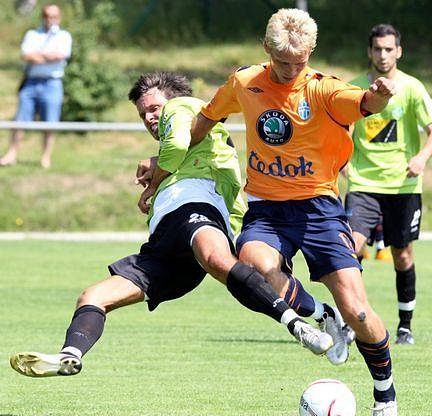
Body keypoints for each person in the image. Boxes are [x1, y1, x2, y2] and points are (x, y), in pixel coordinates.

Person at [10, 71, 338, 380]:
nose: (150, 117)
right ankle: (70, 355)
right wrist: (155, 174)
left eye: (154, 108)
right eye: (143, 114)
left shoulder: (183, 107)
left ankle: (297, 325)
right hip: (167, 244)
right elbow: (181, 147)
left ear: (172, 102)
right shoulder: (177, 143)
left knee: (217, 260)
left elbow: (179, 143)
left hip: (197, 208)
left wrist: (153, 183)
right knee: (93, 296)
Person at [185, 8, 398, 415]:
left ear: (311, 53)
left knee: (359, 310)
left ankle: (385, 394)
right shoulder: (245, 81)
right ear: (266, 49)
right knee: (252, 263)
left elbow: (363, 102)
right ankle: (323, 315)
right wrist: (167, 162)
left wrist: (378, 97)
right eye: (282, 62)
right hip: (267, 208)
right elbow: (207, 118)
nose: (289, 71)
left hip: (319, 208)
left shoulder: (323, 90)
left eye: (298, 63)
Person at [345, 24, 432, 346]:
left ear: (398, 51)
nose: (383, 55)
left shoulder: (412, 88)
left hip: (403, 187)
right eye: (377, 49)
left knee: (402, 255)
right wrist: (343, 163)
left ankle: (405, 326)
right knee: (351, 248)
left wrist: (421, 159)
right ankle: (353, 318)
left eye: (389, 49)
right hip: (363, 184)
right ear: (369, 52)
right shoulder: (356, 88)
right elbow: (339, 131)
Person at [0, 4, 72, 168]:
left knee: (50, 123)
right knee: (19, 121)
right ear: (43, 17)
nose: (50, 19)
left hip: (52, 83)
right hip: (31, 82)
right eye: (47, 16)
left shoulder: (64, 36)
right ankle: (11, 154)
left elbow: (60, 55)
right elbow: (26, 55)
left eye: (54, 16)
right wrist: (47, 56)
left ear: (59, 18)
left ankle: (45, 157)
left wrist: (39, 56)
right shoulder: (32, 34)